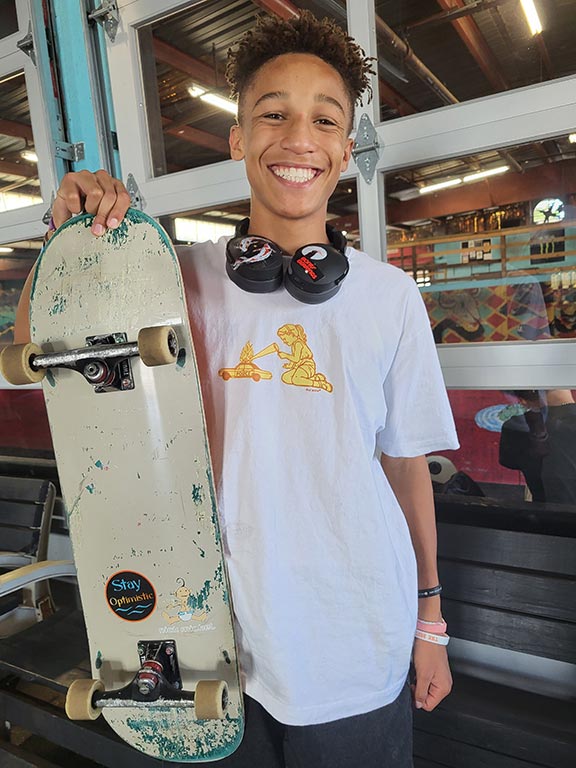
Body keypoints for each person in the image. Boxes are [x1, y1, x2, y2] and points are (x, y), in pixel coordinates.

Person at [15, 11, 458, 767]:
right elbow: (36, 345)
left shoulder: (390, 298)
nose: (298, 137)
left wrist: (431, 623)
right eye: (272, 114)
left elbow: (405, 465)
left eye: (324, 119)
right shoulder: (169, 276)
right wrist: (69, 246)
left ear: (346, 150)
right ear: (236, 138)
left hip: (356, 638)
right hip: (209, 646)